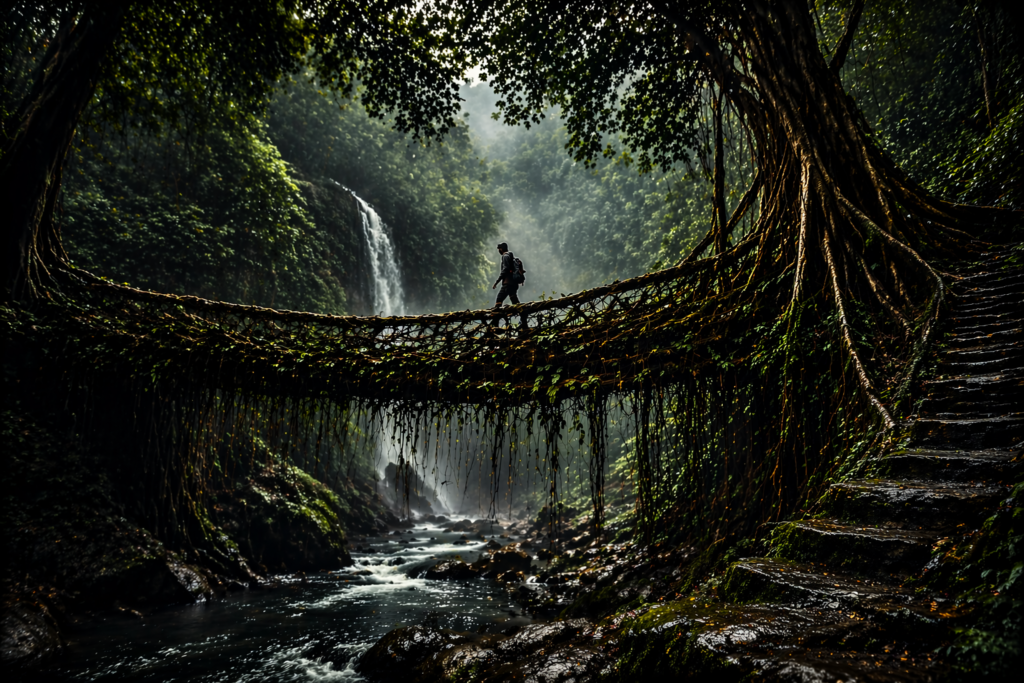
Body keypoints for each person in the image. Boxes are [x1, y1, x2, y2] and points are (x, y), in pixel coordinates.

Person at [491, 242, 526, 330]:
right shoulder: (511, 256)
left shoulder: (505, 256)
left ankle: (495, 324)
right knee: (515, 302)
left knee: (499, 300)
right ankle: (524, 322)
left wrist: (497, 282)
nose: (499, 251)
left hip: (507, 284)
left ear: (501, 249)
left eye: (499, 249)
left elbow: (505, 269)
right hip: (513, 284)